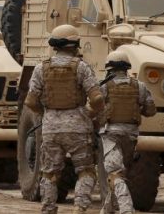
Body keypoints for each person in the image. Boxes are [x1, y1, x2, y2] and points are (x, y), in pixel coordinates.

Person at [23, 24, 105, 214]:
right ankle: (79, 208)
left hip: (50, 129)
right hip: (78, 129)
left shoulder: (40, 68)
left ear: (54, 45)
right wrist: (89, 113)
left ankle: (48, 208)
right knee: (85, 171)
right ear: (75, 45)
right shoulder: (82, 68)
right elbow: (97, 99)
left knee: (49, 173)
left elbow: (30, 101)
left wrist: (46, 114)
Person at [99, 50, 156, 214]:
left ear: (109, 68)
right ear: (127, 68)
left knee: (115, 174)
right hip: (131, 136)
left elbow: (93, 107)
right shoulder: (140, 86)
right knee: (119, 173)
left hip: (111, 135)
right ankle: (108, 209)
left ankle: (126, 209)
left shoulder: (104, 86)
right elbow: (150, 110)